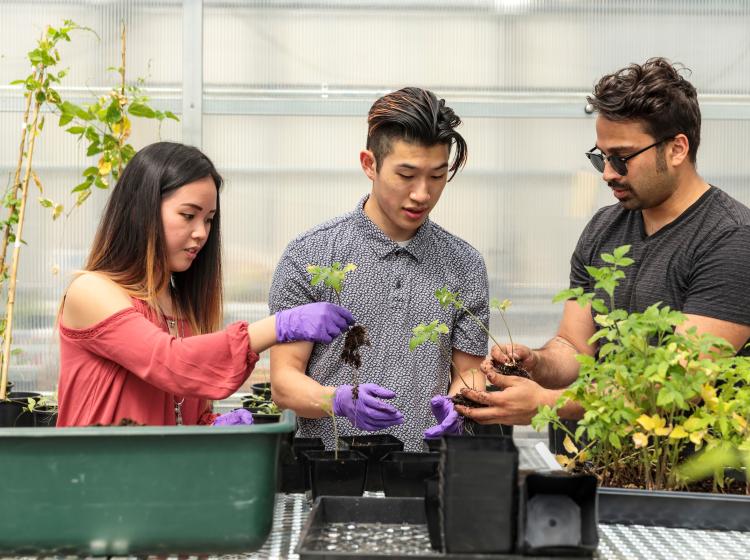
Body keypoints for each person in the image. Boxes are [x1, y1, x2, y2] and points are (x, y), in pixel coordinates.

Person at [456, 57, 750, 426]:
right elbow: (576, 348)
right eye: (602, 157)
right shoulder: (604, 228)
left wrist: (547, 403)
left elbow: (682, 382)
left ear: (677, 149)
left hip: (691, 479)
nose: (608, 174)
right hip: (602, 465)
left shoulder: (731, 240)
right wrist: (537, 361)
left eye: (623, 158)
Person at [56, 142, 354, 427]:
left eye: (209, 220)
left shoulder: (179, 307)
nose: (201, 232)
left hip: (157, 476)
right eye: (188, 215)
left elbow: (175, 411)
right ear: (141, 211)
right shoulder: (91, 291)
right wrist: (278, 326)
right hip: (94, 476)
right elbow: (170, 362)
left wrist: (210, 427)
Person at [269, 87, 489, 451]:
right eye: (407, 175)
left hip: (426, 469)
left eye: (437, 176)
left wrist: (461, 406)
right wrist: (336, 400)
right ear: (369, 164)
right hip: (332, 470)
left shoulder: (463, 263)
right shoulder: (311, 255)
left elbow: (469, 371)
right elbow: (284, 382)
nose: (422, 194)